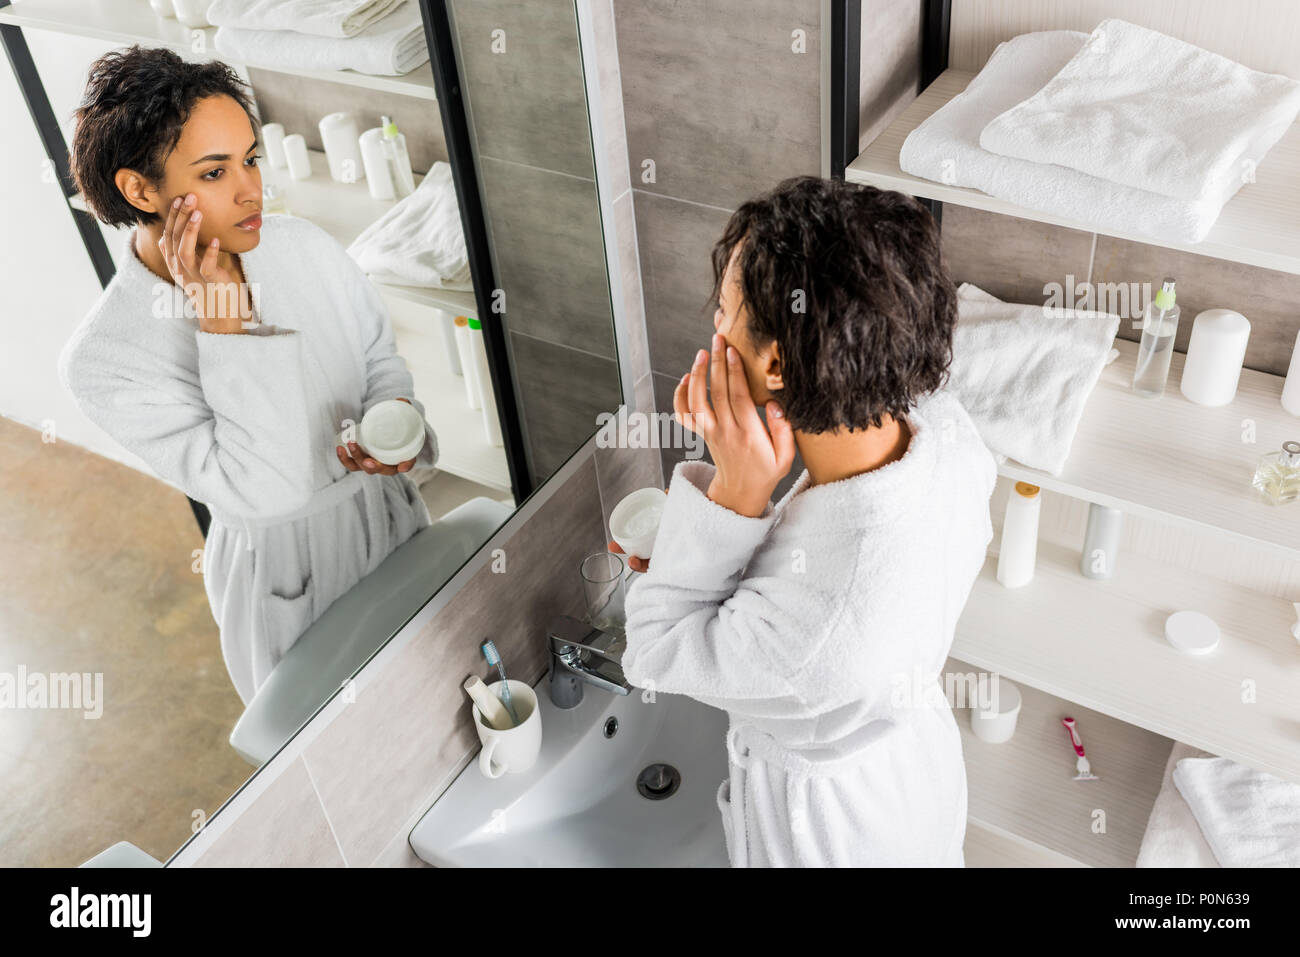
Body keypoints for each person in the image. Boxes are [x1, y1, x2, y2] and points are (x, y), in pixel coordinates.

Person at [612, 176, 996, 866]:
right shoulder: (948, 436)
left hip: (836, 838)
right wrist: (727, 534)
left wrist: (736, 491)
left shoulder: (821, 630)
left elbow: (655, 650)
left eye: (724, 311)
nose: (716, 328)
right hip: (915, 785)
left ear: (777, 362)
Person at [57, 46, 438, 704]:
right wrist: (225, 324)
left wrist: (390, 413)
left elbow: (375, 349)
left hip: (391, 519)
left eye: (250, 159)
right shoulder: (107, 358)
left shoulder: (299, 244)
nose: (250, 190)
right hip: (290, 577)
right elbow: (268, 490)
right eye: (214, 171)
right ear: (141, 190)